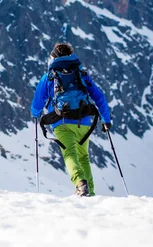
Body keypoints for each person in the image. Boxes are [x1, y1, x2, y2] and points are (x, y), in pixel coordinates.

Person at [31, 43, 111, 196]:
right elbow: (99, 97)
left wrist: (35, 114)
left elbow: (37, 103)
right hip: (84, 122)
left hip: (62, 123)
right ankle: (91, 193)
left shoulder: (49, 77)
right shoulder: (81, 74)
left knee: (69, 154)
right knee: (84, 157)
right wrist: (106, 120)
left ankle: (80, 184)